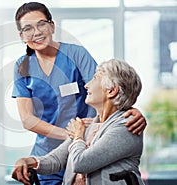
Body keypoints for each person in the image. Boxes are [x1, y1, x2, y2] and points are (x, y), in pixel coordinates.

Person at [12, 2, 146, 184]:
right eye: (28, 28)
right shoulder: (22, 67)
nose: (36, 32)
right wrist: (74, 135)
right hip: (53, 148)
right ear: (21, 36)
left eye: (41, 24)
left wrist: (130, 111)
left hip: (92, 143)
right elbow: (28, 119)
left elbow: (106, 88)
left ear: (52, 26)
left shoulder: (76, 54)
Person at [12, 59, 145, 185]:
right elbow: (56, 160)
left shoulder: (127, 126)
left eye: (95, 78)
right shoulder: (88, 125)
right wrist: (29, 161)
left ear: (111, 91)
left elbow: (82, 163)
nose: (87, 85)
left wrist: (77, 136)